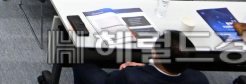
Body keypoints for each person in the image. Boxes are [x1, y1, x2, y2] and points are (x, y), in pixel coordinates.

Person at [70, 30, 209, 84]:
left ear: (157, 55)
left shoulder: (131, 77)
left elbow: (109, 80)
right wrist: (145, 68)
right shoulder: (200, 79)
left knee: (81, 57)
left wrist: (129, 71)